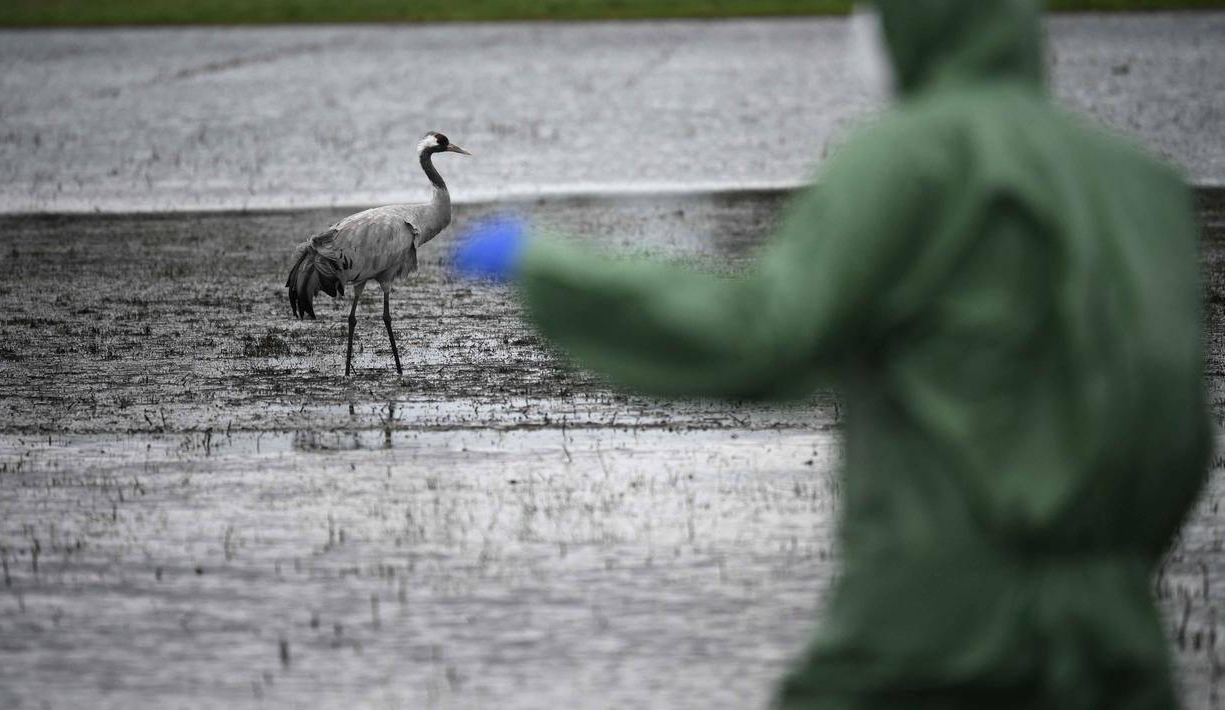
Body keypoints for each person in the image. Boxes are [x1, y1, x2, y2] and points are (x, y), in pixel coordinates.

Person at [453, 0, 1211, 707]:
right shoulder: (1141, 185)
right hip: (1114, 644)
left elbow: (762, 335)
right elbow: (1179, 434)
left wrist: (555, 273)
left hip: (930, 629)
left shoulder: (910, 159)